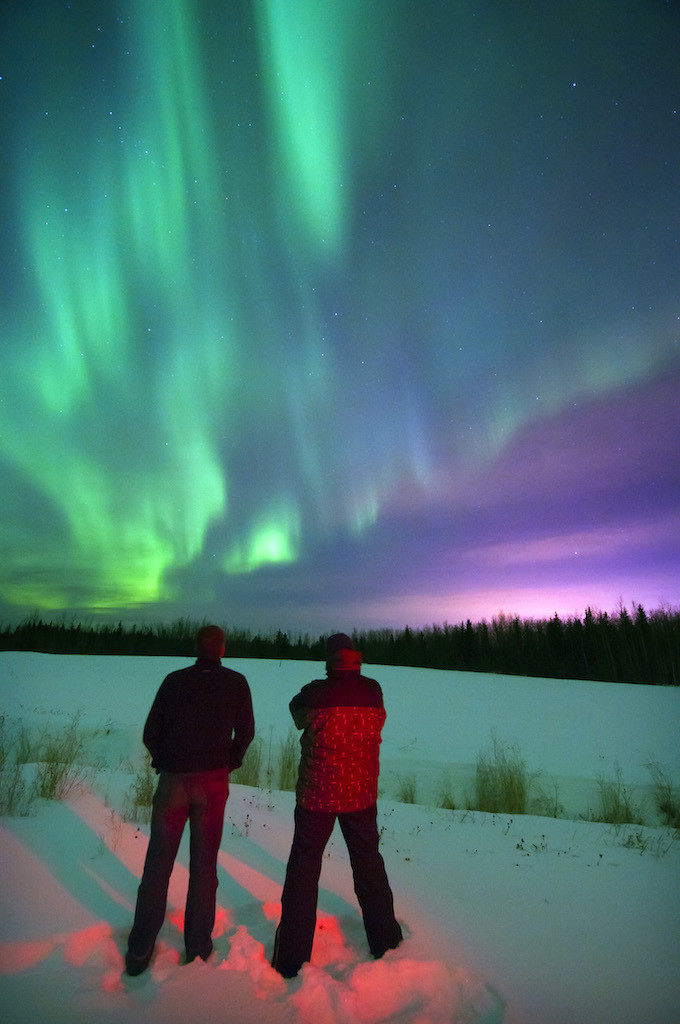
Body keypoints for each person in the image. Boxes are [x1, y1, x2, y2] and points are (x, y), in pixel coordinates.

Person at [125, 624, 254, 976]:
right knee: (204, 867)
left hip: (174, 781)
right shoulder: (236, 683)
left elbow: (151, 732)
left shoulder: (174, 681)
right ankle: (197, 949)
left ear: (197, 648)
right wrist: (229, 761)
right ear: (222, 649)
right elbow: (246, 732)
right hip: (212, 783)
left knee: (158, 864)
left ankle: (139, 949)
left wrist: (165, 760)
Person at [272, 633, 402, 978]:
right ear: (356, 658)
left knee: (303, 867)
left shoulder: (316, 692)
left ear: (329, 660)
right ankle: (386, 941)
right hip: (360, 795)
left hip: (318, 795)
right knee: (369, 863)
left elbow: (297, 713)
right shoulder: (373, 691)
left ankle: (291, 958)